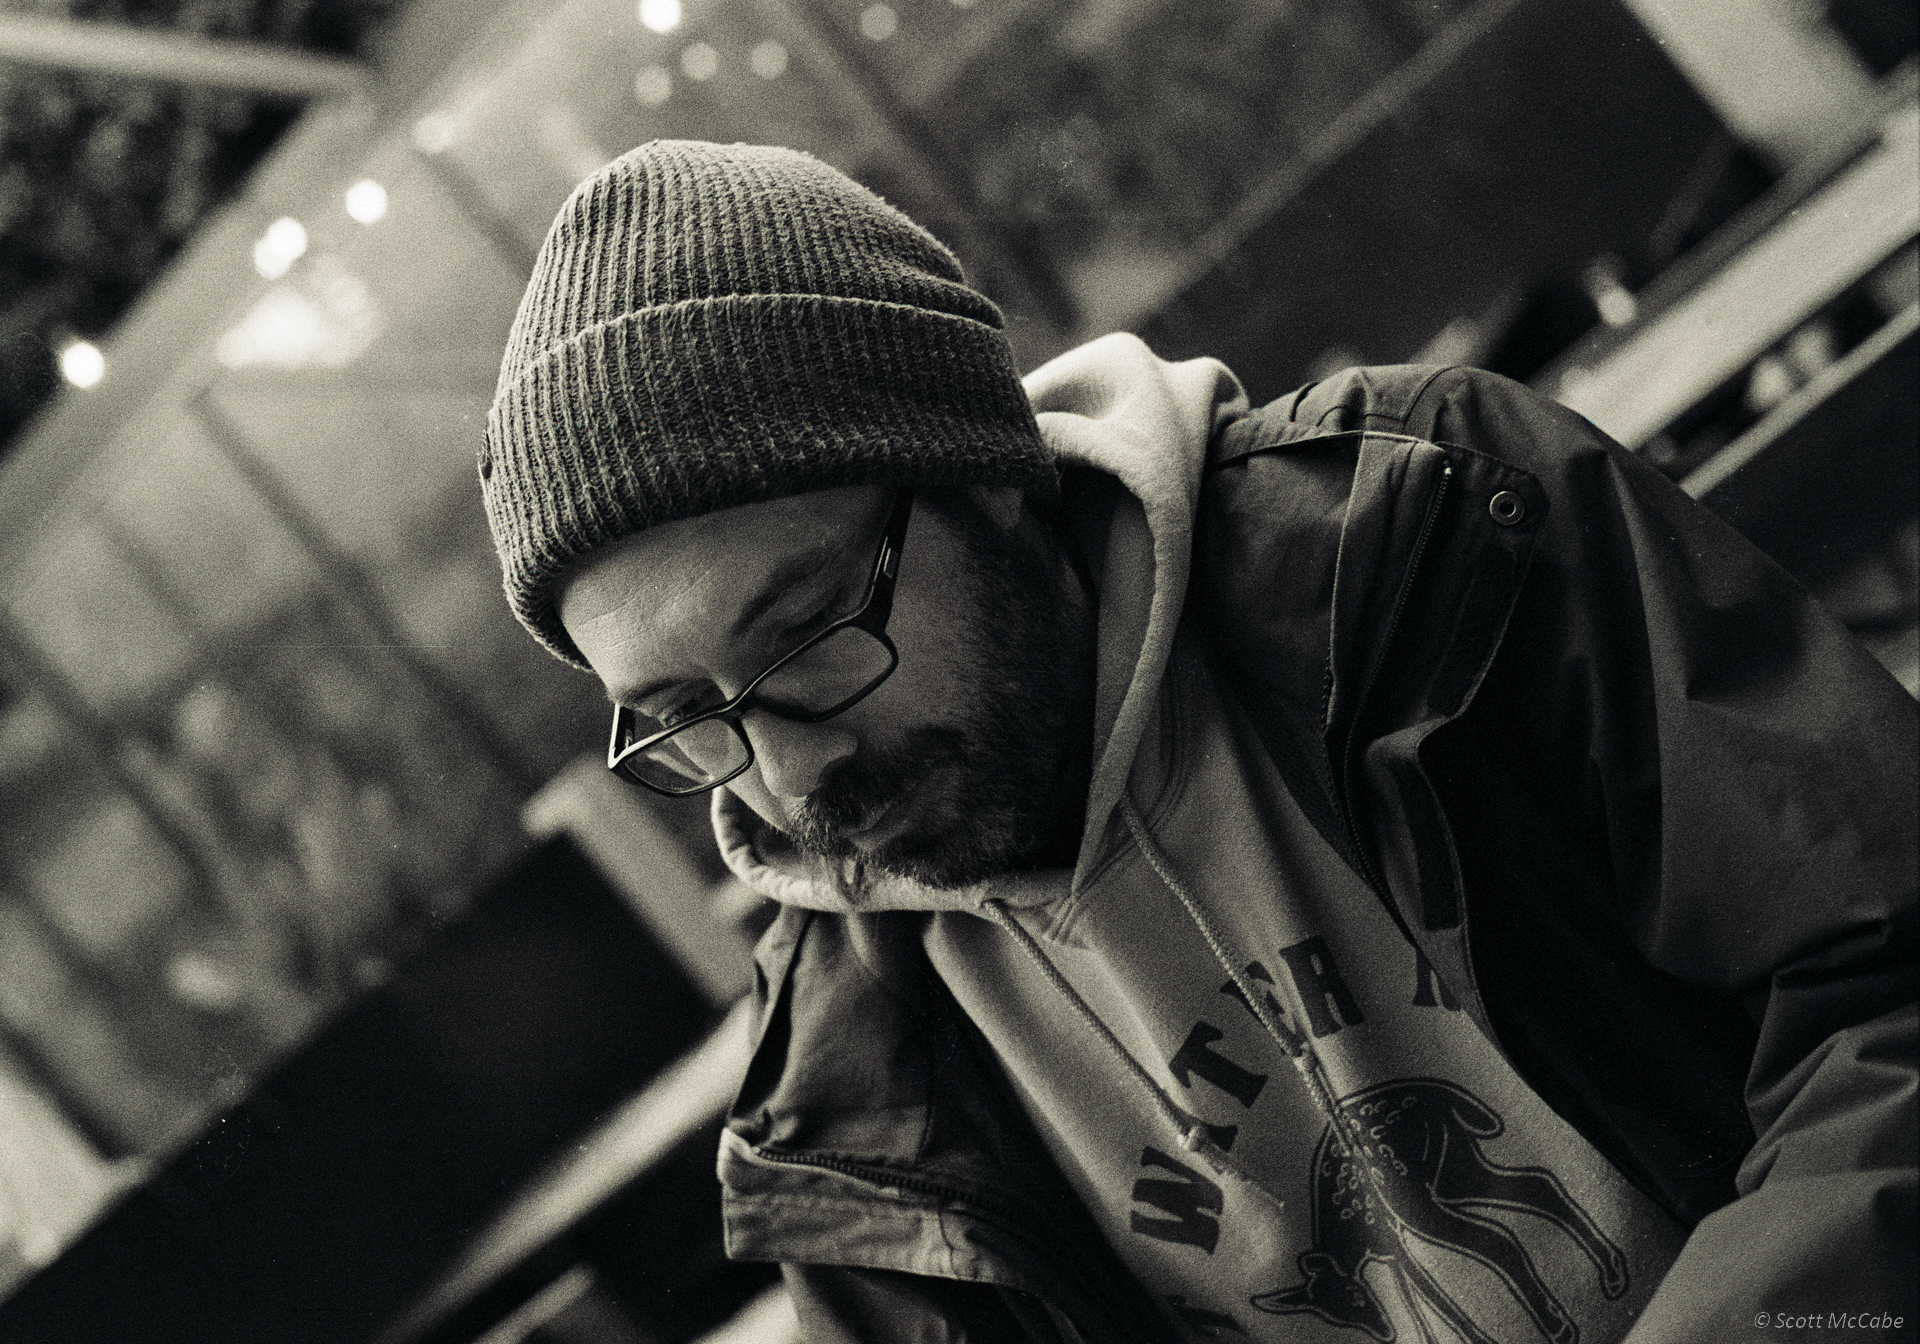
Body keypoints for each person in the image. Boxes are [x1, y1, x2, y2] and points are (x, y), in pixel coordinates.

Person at [480, 141, 1916, 1342]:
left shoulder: (1426, 542)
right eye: (686, 719)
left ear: (987, 473)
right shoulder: (847, 1097)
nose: (792, 778)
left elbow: (1886, 985)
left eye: (806, 634)